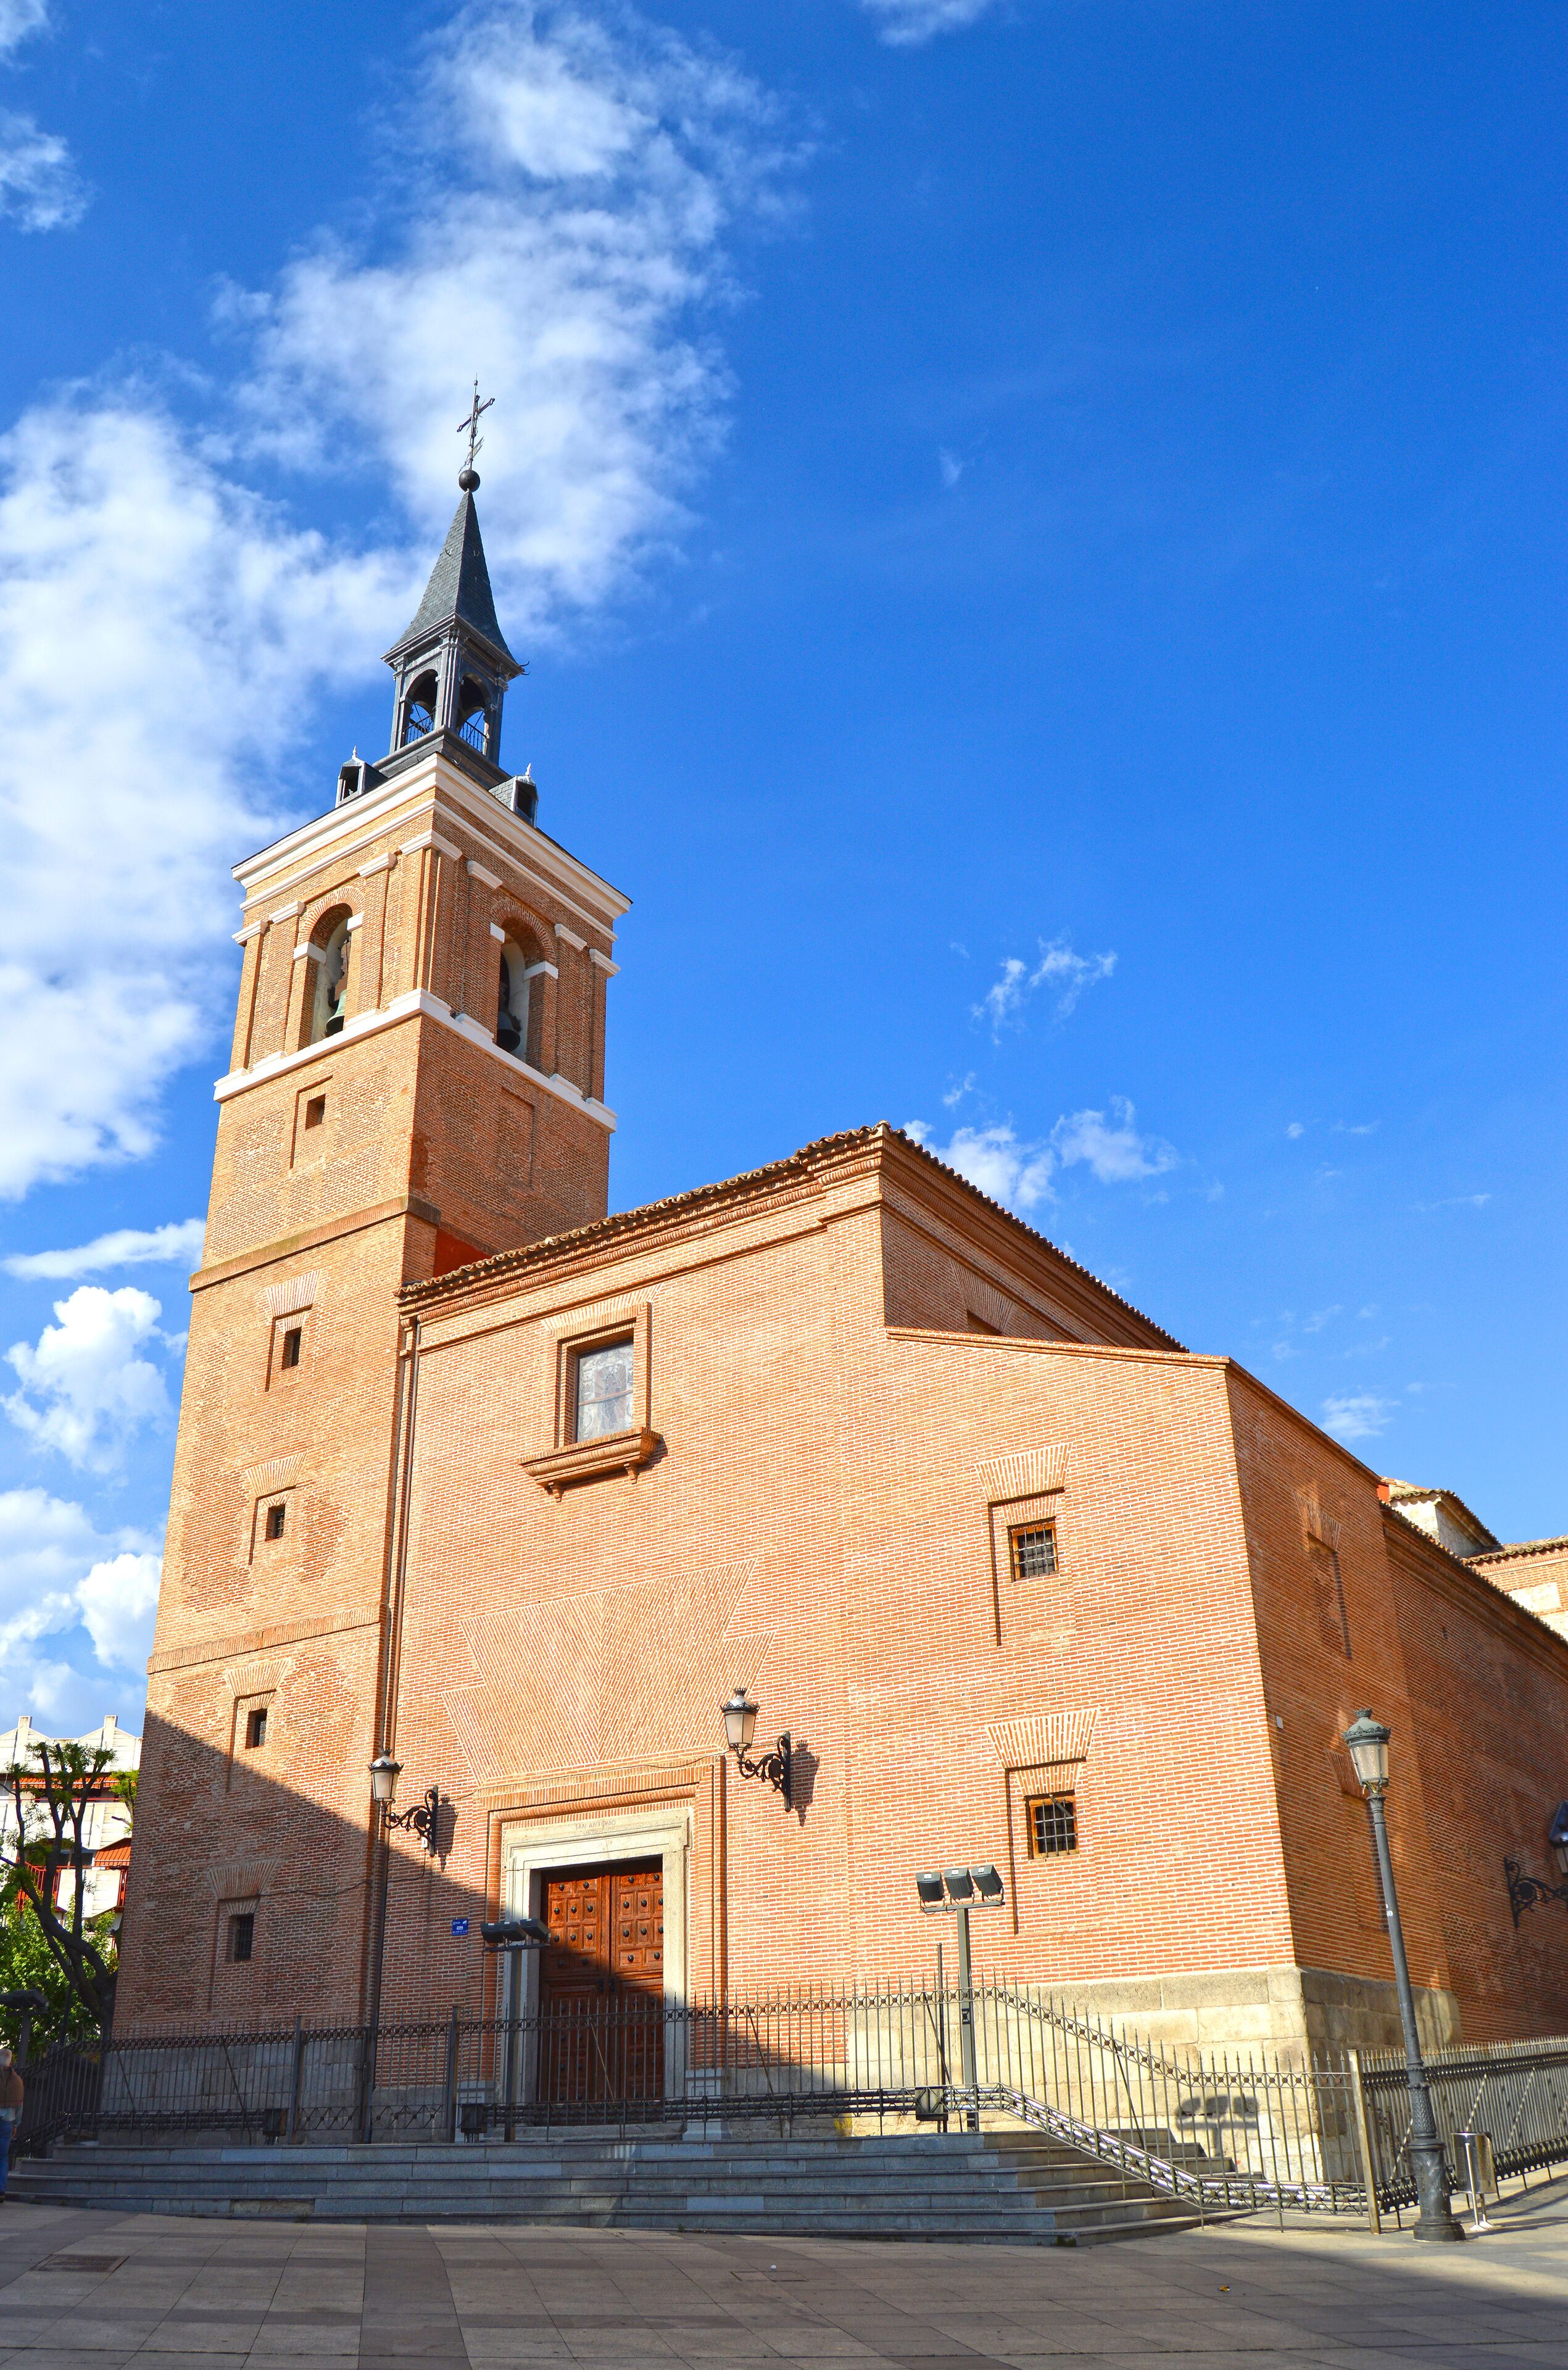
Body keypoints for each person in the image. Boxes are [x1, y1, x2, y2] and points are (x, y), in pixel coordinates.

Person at [0, 2045, 22, 2200]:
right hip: (8, 2123)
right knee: (3, 2156)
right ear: (10, 2061)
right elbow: (20, 2105)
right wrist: (16, 2125)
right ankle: (1, 2189)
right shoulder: (17, 2080)